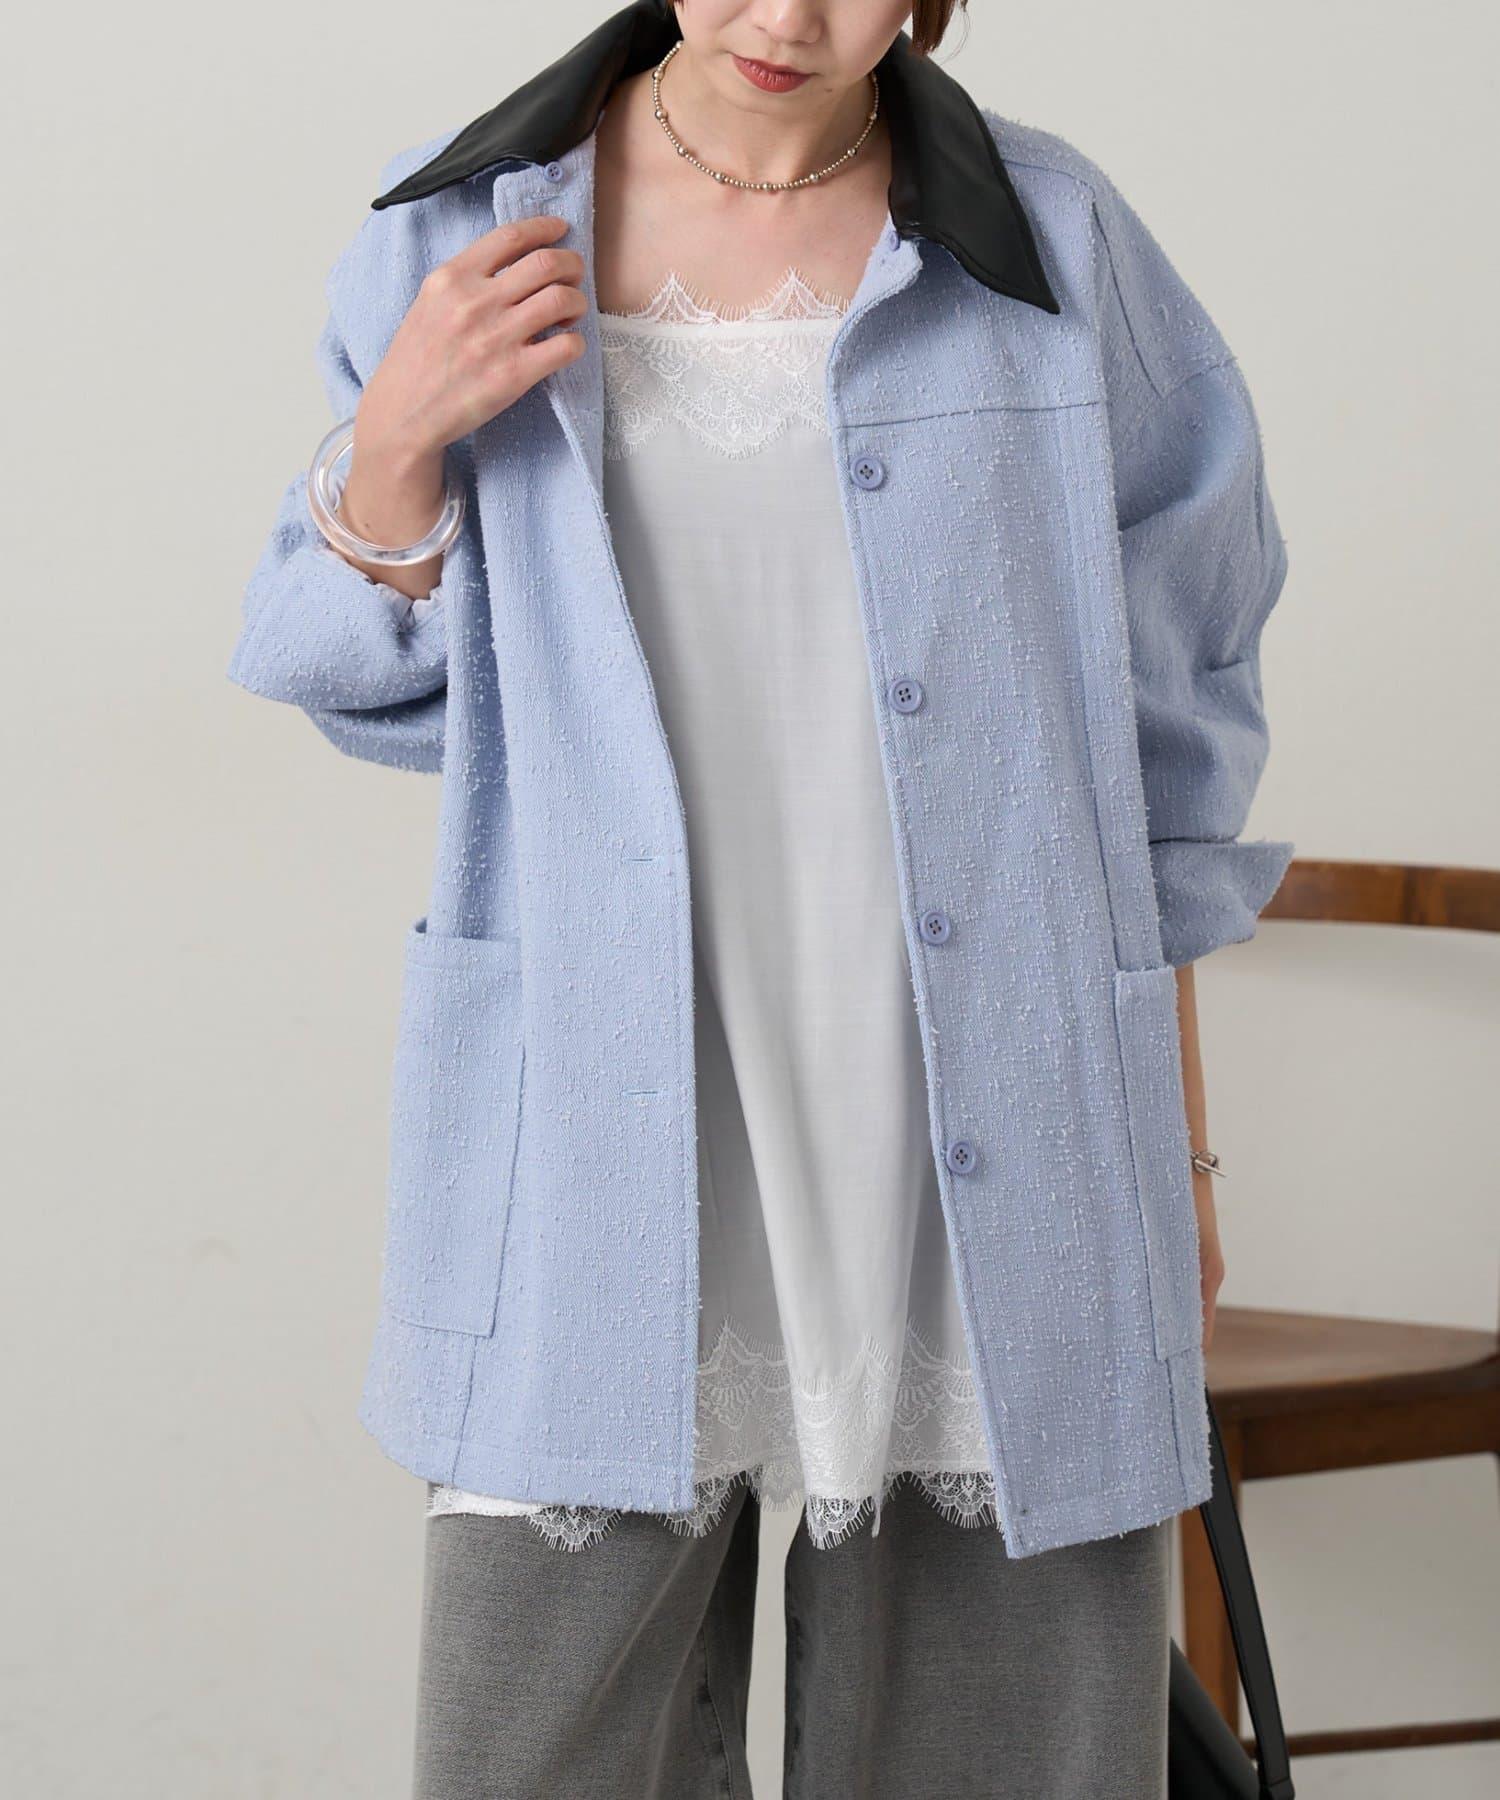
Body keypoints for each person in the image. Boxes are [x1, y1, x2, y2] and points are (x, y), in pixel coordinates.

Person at [227, 1, 1294, 1792]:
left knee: (1004, 1746)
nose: (787, 18)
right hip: (597, 1110)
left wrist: (1173, 1147)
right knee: (538, 1748)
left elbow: (1167, 749)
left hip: (994, 1111)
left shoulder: (1057, 240)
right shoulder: (456, 235)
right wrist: (396, 441)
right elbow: (374, 696)